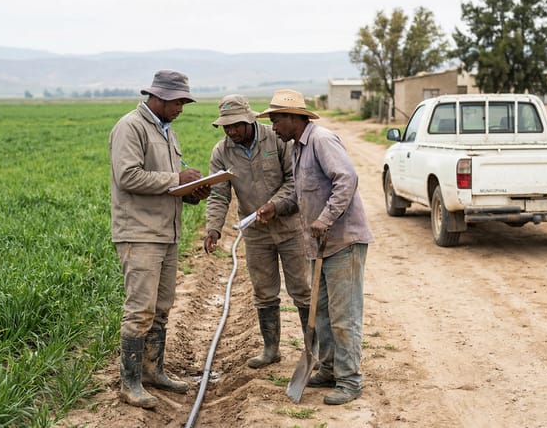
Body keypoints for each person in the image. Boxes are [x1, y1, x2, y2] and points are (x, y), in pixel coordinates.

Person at [256, 89, 374, 405]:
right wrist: (275, 207)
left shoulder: (321, 140)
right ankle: (329, 369)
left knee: (343, 314)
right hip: (318, 247)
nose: (273, 126)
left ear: (295, 118)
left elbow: (346, 179)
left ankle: (350, 381)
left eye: (277, 119)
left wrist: (325, 218)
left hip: (343, 242)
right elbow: (300, 195)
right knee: (321, 313)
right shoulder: (297, 149)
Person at [109, 69, 210, 408]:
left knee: (162, 308)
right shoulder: (131, 127)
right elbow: (127, 176)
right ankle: (130, 382)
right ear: (161, 98)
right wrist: (176, 178)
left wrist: (192, 191)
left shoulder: (168, 132)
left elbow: (167, 184)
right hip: (139, 233)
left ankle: (153, 371)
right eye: (179, 101)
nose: (182, 107)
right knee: (140, 309)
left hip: (167, 232)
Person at [203, 94, 312, 369]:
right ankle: (271, 349)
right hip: (256, 234)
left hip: (290, 228)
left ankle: (315, 351)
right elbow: (218, 195)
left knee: (302, 290)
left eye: (236, 125)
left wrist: (275, 206)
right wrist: (213, 229)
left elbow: (294, 179)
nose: (232, 131)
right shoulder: (222, 152)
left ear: (249, 119)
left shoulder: (276, 139)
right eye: (226, 127)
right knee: (264, 292)